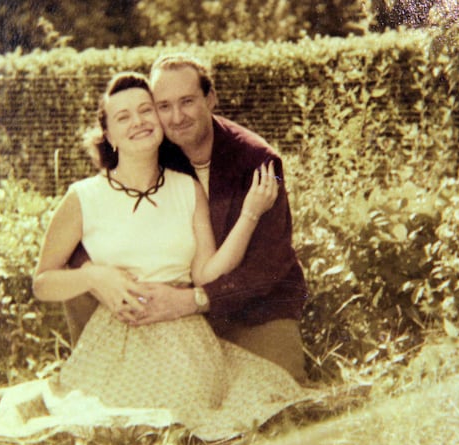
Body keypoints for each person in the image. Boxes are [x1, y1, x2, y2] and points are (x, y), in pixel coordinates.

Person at [0, 72, 314, 441]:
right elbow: (43, 283)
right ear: (108, 135)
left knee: (189, 405)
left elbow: (208, 273)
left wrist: (250, 214)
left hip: (184, 337)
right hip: (119, 335)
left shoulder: (187, 188)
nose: (138, 121)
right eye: (123, 117)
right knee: (116, 417)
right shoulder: (84, 196)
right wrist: (94, 276)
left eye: (146, 110)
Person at [65, 53, 308, 382]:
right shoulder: (152, 148)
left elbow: (269, 264)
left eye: (187, 101)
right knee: (80, 279)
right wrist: (96, 273)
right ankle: (95, 375)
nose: (176, 117)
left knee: (277, 392)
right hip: (173, 303)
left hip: (252, 307)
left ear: (210, 99)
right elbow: (97, 213)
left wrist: (194, 300)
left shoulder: (258, 161)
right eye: (163, 106)